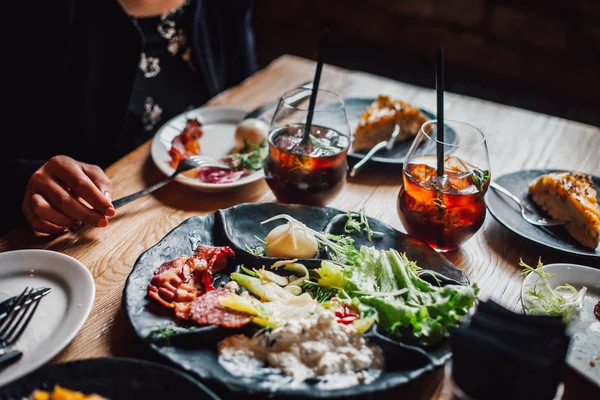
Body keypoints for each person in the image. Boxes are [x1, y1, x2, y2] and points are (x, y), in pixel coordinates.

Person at [3, 0, 257, 235]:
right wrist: (26, 180)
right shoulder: (33, 12)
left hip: (210, 209)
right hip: (91, 233)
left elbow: (246, 97)